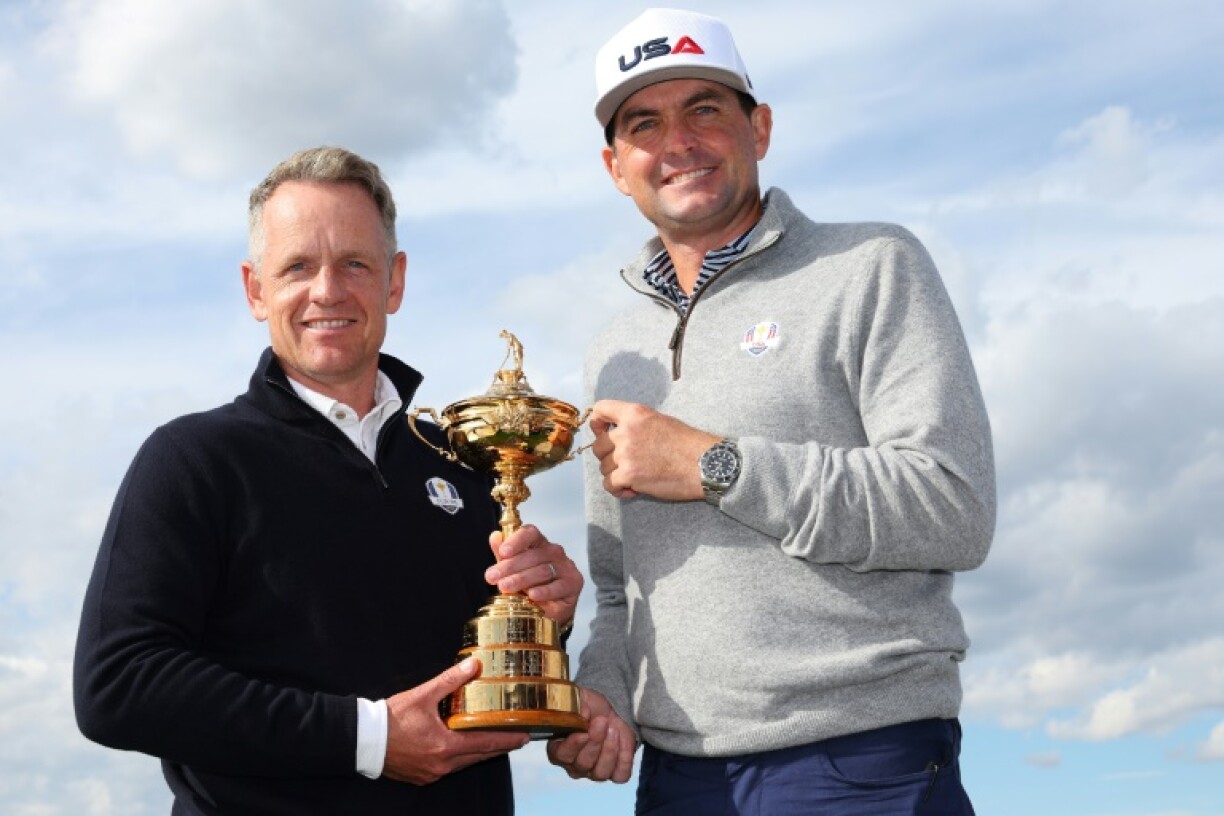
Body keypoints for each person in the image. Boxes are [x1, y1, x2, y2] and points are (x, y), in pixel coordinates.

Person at [546, 9, 995, 814]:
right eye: (645, 123)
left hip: (862, 766)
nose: (678, 142)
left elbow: (951, 507)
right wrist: (603, 690)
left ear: (760, 127)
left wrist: (716, 466)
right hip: (680, 780)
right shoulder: (613, 350)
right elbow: (621, 590)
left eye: (705, 110)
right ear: (617, 167)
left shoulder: (871, 267)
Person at [74, 146, 583, 815]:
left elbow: (473, 684)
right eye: (296, 267)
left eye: (354, 263)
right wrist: (367, 738)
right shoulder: (194, 459)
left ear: (393, 281)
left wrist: (550, 624)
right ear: (256, 289)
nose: (327, 290)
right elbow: (118, 684)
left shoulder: (464, 467)